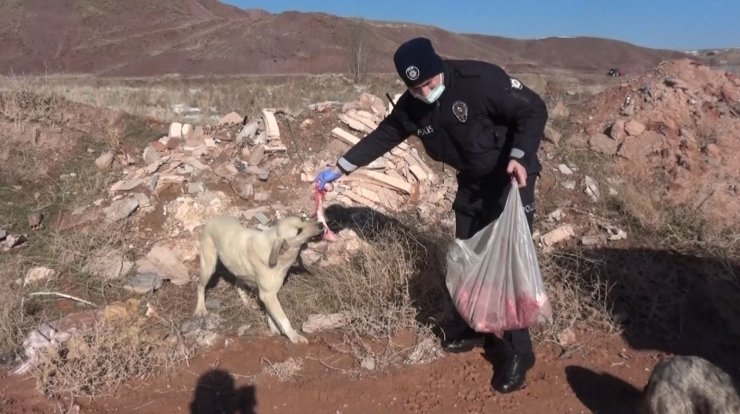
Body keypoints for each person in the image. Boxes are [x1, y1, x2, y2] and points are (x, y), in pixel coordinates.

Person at [314, 37, 548, 394]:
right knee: (466, 255)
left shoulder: (479, 80)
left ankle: (518, 351)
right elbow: (384, 135)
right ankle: (476, 325)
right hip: (472, 181)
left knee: (507, 261)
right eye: (415, 87)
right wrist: (340, 167)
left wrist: (519, 155)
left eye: (429, 82)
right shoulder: (412, 106)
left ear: (438, 66)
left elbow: (533, 109)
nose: (425, 91)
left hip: (510, 177)